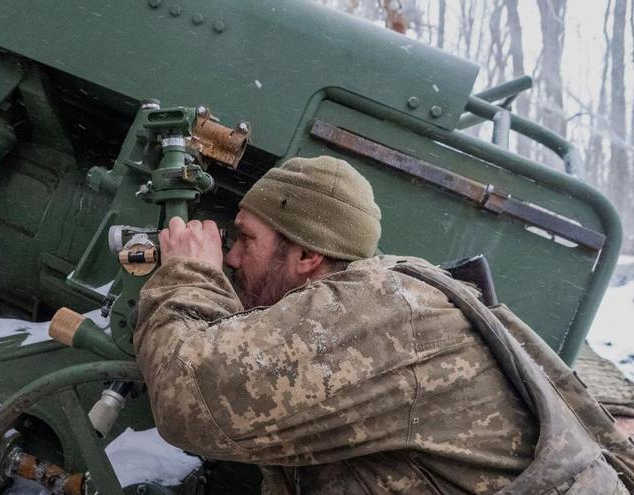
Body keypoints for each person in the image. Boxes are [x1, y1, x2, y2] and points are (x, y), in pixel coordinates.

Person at [133, 156, 630, 494]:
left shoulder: (374, 311)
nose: (231, 258)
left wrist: (189, 273)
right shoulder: (382, 297)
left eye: (246, 239)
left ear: (307, 255)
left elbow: (190, 401)